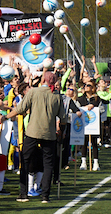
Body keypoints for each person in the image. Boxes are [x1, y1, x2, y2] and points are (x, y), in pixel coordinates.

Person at [6, 71, 69, 204]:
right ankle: (45, 195)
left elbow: (20, 109)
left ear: (43, 80)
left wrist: (5, 116)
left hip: (33, 132)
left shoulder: (33, 92)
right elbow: (63, 117)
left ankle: (24, 193)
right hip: (49, 133)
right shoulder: (56, 96)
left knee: (25, 161)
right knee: (48, 164)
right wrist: (61, 130)